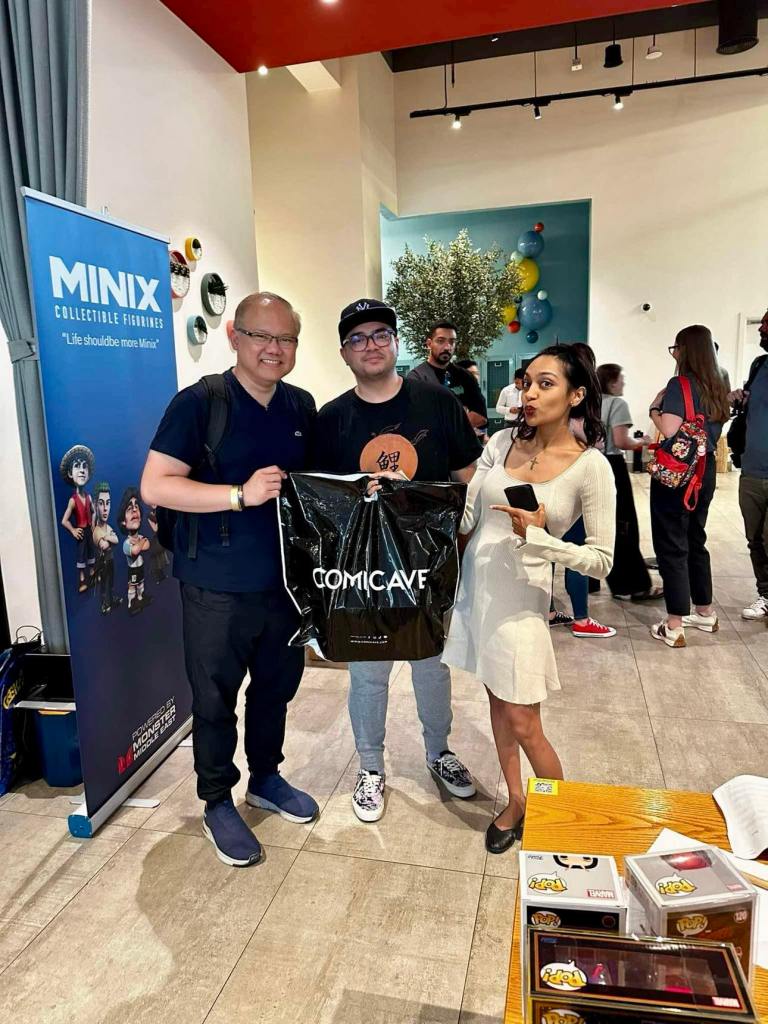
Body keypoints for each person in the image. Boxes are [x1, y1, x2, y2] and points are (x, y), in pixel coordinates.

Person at [141, 292, 318, 868]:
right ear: (234, 337)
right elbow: (156, 485)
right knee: (214, 700)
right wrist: (239, 495)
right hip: (215, 585)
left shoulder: (300, 406)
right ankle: (217, 800)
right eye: (261, 336)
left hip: (286, 584)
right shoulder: (200, 403)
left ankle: (266, 777)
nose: (274, 348)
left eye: (286, 338)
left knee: (275, 689)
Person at [313, 298, 482, 823]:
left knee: (431, 665)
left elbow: (468, 478)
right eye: (358, 338)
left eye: (380, 334)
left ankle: (439, 752)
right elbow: (319, 501)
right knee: (367, 671)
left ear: (396, 343)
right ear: (344, 352)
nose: (371, 345)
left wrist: (459, 529)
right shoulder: (331, 420)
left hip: (426, 565)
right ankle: (370, 766)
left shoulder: (437, 404)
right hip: (362, 570)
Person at [442, 344, 615, 854]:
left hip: (522, 602)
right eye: (527, 383)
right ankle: (516, 800)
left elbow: (602, 559)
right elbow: (469, 518)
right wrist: (415, 498)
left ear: (576, 395)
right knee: (497, 702)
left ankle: (560, 817)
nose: (530, 394)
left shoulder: (590, 467)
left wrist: (541, 538)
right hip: (479, 593)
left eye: (546, 384)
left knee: (525, 720)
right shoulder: (500, 443)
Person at [648, 325, 730, 648]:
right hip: (705, 470)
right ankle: (705, 612)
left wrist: (655, 410)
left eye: (676, 348)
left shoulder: (679, 384)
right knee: (696, 538)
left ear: (685, 350)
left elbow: (670, 430)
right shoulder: (719, 384)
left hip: (678, 475)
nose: (675, 355)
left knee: (672, 543)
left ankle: (674, 625)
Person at [596, 363, 662, 602]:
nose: (623, 383)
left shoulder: (591, 402)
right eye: (620, 379)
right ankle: (635, 585)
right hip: (613, 465)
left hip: (593, 463)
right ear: (612, 382)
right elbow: (621, 441)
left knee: (603, 525)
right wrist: (642, 442)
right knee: (624, 524)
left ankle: (611, 582)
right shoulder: (617, 404)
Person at [731, 309, 768, 619]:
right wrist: (739, 399)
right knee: (754, 539)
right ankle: (765, 593)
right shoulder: (759, 365)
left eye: (767, 325)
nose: (761, 330)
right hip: (752, 468)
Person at [408, 320, 488, 434]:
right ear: (429, 344)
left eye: (452, 342)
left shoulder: (465, 376)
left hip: (461, 444)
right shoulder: (417, 378)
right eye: (440, 341)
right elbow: (417, 418)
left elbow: (481, 416)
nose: (447, 347)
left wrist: (444, 424)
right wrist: (461, 417)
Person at [91, 481, 122, 615]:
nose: (105, 509)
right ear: (95, 505)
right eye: (101, 503)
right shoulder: (97, 531)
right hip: (102, 562)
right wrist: (110, 538)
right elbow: (104, 545)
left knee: (112, 582)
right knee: (104, 584)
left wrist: (108, 537)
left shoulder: (107, 528)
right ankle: (104, 604)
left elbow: (117, 540)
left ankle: (112, 599)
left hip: (111, 560)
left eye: (108, 503)